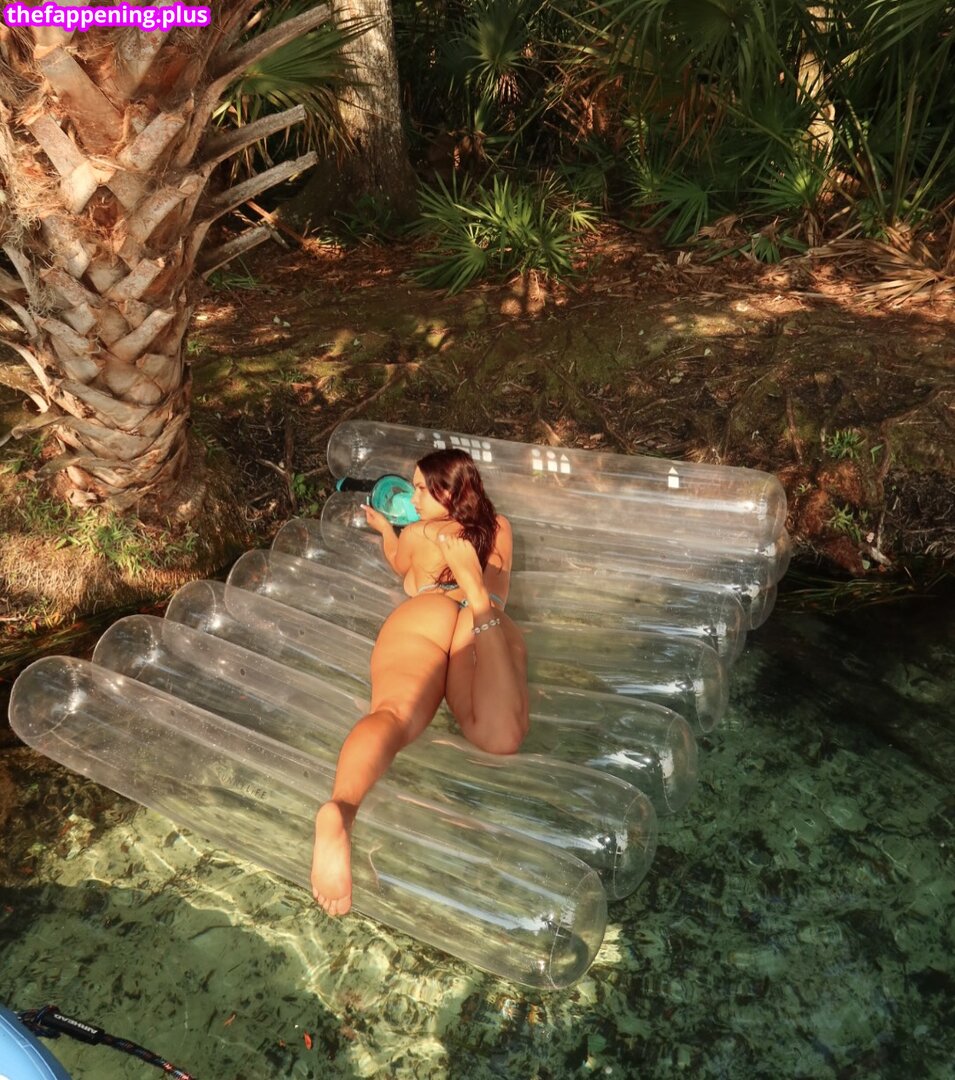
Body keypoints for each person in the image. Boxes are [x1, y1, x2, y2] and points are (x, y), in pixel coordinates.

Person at [310, 448, 529, 916]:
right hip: (479, 615)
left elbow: (398, 564)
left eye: (421, 490)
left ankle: (343, 808)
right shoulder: (499, 527)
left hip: (427, 609)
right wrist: (477, 593)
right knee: (500, 737)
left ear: (449, 494)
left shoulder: (417, 533)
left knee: (392, 714)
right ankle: (479, 605)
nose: (413, 498)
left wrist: (387, 532)